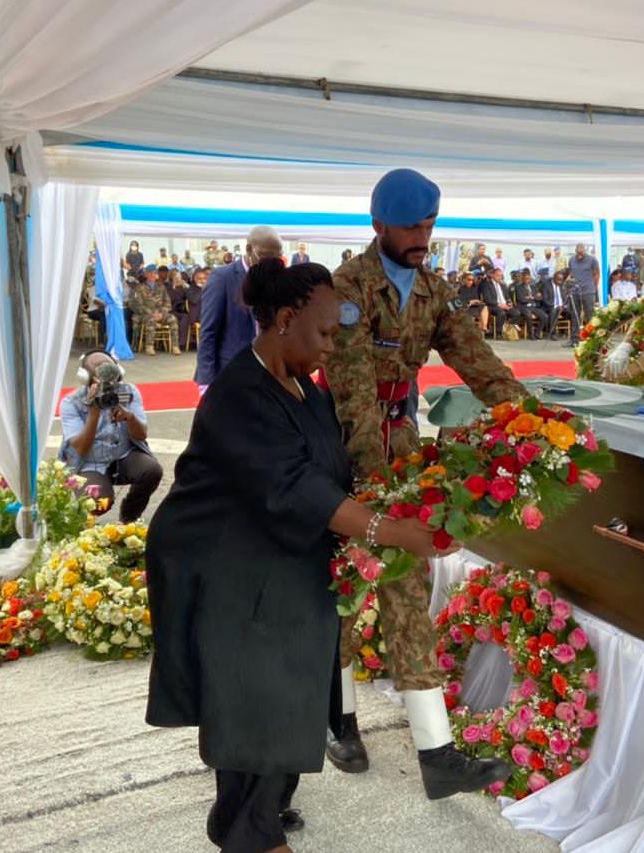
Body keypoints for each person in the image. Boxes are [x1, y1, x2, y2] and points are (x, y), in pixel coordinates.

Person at [147, 259, 453, 853]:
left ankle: (252, 813)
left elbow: (329, 470)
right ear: (286, 319)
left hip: (281, 553)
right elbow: (296, 487)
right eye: (325, 334)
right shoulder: (241, 394)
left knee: (289, 690)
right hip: (226, 565)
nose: (331, 349)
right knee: (259, 698)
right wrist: (391, 531)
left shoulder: (302, 386)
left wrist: (410, 498)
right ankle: (252, 834)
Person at [324, 168, 520, 799]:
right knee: (340, 590)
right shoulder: (348, 287)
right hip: (341, 453)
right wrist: (376, 486)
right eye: (410, 227)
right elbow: (352, 391)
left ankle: (437, 755)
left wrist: (529, 419)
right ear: (378, 224)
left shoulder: (433, 289)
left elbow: (477, 360)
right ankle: (337, 719)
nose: (422, 237)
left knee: (407, 583)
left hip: (401, 446)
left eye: (429, 225)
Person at [58, 350, 163, 522]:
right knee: (97, 502)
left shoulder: (129, 392)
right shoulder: (71, 403)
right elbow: (81, 449)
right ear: (85, 377)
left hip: (123, 455)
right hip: (89, 463)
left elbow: (141, 435)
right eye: (98, 368)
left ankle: (129, 517)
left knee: (152, 471)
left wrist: (130, 418)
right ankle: (85, 526)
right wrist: (94, 412)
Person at [196, 226, 283, 390]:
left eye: (277, 257)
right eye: (265, 256)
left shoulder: (277, 279)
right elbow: (208, 332)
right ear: (249, 249)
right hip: (231, 372)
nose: (271, 262)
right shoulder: (222, 278)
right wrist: (206, 383)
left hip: (269, 373)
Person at [129, 266, 181, 355]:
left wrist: (162, 313)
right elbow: (135, 305)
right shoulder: (139, 288)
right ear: (146, 275)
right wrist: (152, 313)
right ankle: (149, 346)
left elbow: (167, 303)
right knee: (151, 319)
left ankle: (175, 346)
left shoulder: (161, 287)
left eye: (154, 273)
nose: (153, 275)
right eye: (150, 273)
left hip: (160, 313)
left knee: (173, 318)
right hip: (144, 314)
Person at [564, 243, 599, 347]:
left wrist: (593, 286)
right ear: (575, 251)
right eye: (578, 253)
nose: (580, 255)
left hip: (588, 291)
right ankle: (574, 339)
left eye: (582, 253)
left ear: (585, 251)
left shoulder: (592, 260)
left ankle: (591, 339)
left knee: (590, 315)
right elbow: (571, 273)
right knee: (575, 315)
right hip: (575, 291)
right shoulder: (571, 260)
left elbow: (597, 274)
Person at [480, 266, 520, 334]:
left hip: (505, 305)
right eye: (498, 275)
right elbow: (487, 299)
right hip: (493, 306)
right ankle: (499, 332)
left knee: (516, 313)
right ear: (492, 275)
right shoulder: (487, 285)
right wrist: (500, 305)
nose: (500, 277)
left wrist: (509, 303)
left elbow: (507, 297)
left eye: (501, 276)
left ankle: (506, 326)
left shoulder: (503, 285)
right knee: (502, 313)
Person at [511, 268, 547, 336]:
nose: (527, 280)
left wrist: (531, 297)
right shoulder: (518, 287)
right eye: (525, 279)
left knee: (545, 316)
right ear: (522, 279)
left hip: (533, 306)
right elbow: (521, 299)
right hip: (523, 307)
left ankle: (537, 332)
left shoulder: (534, 287)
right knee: (528, 315)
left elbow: (540, 298)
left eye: (528, 278)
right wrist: (534, 297)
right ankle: (531, 333)